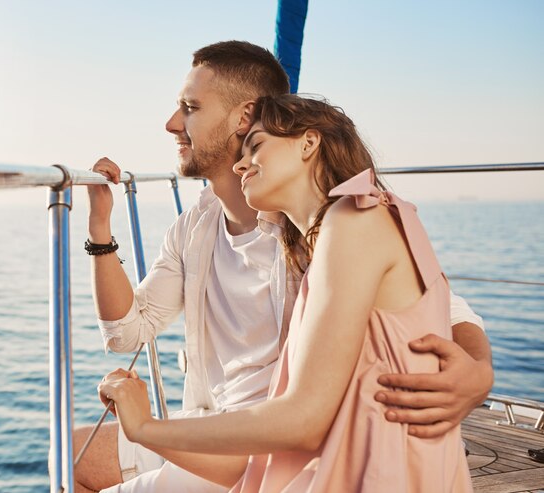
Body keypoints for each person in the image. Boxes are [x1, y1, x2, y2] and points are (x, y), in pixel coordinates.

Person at [77, 41, 491, 493]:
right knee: (71, 454)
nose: (172, 124)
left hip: (272, 442)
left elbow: (441, 309)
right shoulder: (196, 226)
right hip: (219, 427)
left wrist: (478, 372)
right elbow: (124, 334)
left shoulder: (328, 224)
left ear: (243, 116)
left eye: (190, 108)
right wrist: (101, 229)